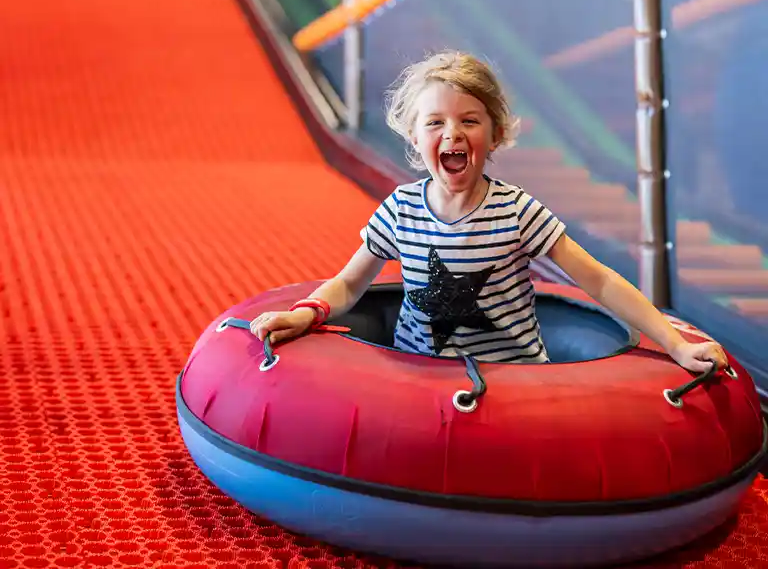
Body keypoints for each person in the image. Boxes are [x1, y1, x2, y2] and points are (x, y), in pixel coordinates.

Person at [251, 50, 729, 373]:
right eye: (434, 122)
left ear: (495, 135)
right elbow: (350, 284)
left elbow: (599, 280)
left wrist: (674, 343)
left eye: (469, 120)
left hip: (514, 382)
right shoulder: (400, 210)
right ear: (414, 137)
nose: (452, 133)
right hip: (419, 378)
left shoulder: (517, 212)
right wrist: (308, 312)